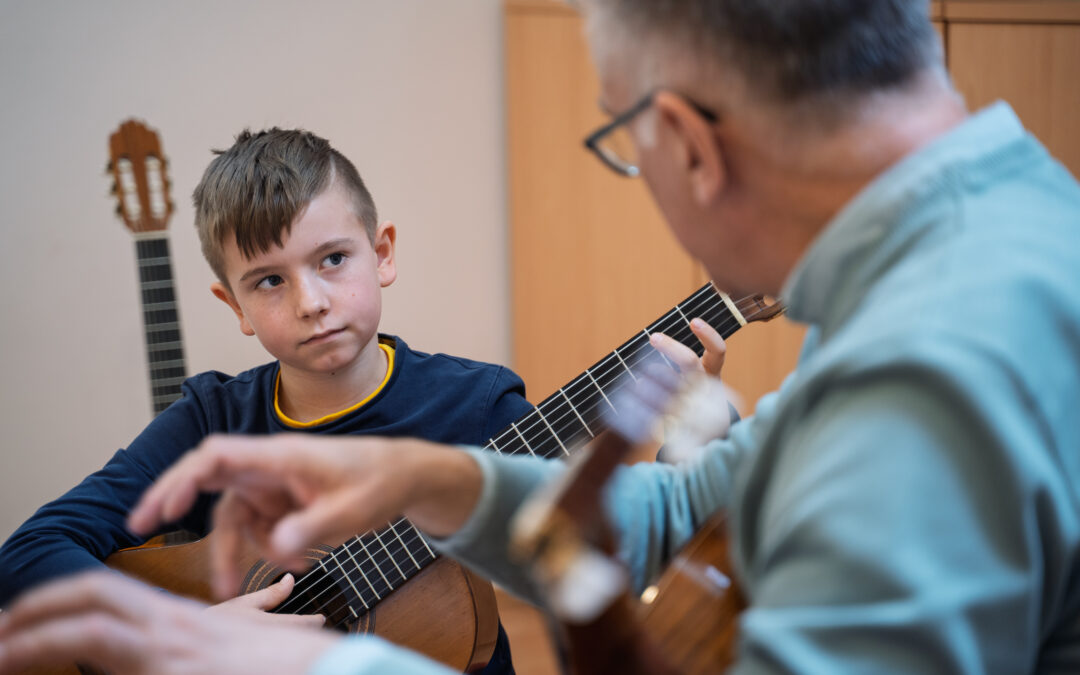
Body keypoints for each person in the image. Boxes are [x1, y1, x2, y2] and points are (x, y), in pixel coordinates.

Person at [3, 0, 1080, 672]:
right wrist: (426, 477)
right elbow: (676, 507)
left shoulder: (928, 365)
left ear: (686, 144)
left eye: (621, 142)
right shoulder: (991, 246)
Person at [0, 128, 538, 673]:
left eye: (332, 259)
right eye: (269, 281)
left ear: (381, 255)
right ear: (235, 306)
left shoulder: (479, 406)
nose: (311, 302)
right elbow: (28, 552)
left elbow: (584, 554)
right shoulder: (212, 422)